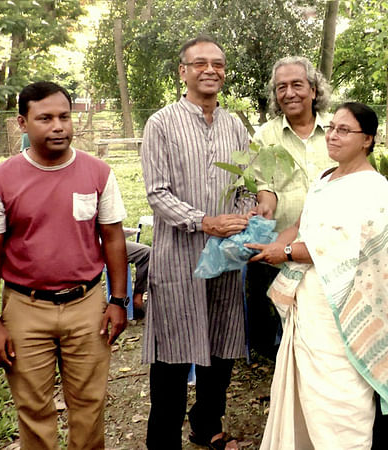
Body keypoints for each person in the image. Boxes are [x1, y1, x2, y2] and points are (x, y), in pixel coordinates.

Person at [0, 81, 129, 450]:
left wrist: (118, 300)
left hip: (86, 304)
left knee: (89, 405)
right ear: (22, 123)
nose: (58, 126)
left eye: (64, 117)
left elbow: (114, 238)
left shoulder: (98, 173)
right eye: (45, 118)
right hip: (25, 308)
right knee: (33, 408)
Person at [248, 102, 388, 449]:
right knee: (308, 394)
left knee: (342, 398)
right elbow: (300, 225)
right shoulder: (325, 178)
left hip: (345, 305)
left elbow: (347, 245)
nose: (333, 136)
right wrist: (270, 245)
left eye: (344, 130)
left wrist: (288, 252)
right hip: (310, 302)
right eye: (333, 127)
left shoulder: (372, 187)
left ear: (367, 139)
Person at [139, 35, 253, 450]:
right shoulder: (162, 123)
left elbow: (246, 184)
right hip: (177, 258)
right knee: (171, 356)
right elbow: (157, 193)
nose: (211, 70)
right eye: (200, 63)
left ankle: (206, 424)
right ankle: (162, 441)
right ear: (182, 71)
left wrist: (246, 213)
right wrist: (205, 221)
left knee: (221, 348)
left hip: (223, 258)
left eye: (218, 64)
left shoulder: (235, 124)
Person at [248, 55, 334, 359]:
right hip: (284, 248)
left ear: (313, 89)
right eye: (281, 87)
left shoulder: (337, 129)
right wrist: (265, 206)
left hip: (332, 246)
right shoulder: (266, 136)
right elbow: (265, 185)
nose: (289, 93)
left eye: (297, 84)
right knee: (293, 326)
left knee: (331, 325)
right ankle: (294, 388)